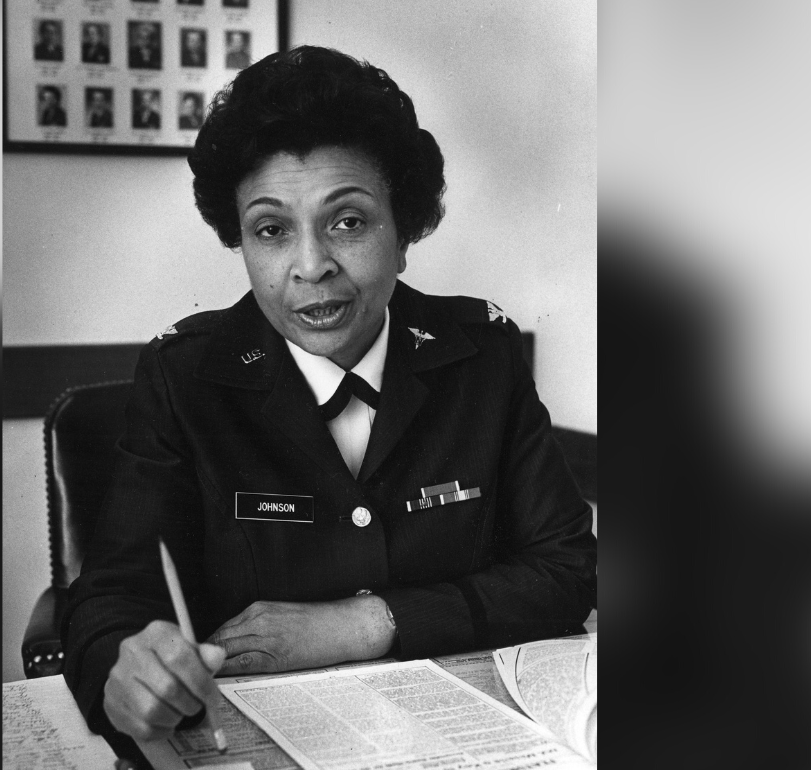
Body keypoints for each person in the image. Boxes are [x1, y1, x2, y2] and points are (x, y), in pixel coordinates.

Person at [62, 46, 595, 750]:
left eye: (347, 221)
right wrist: (121, 669)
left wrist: (368, 622)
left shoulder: (482, 357)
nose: (311, 266)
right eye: (272, 230)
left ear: (404, 233)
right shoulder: (184, 379)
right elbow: (108, 599)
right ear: (241, 242)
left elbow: (564, 569)